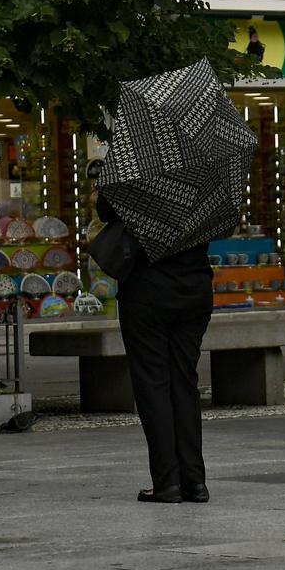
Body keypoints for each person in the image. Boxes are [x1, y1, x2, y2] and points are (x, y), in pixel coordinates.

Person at [96, 192, 213, 504]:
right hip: (194, 288)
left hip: (147, 290)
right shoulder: (205, 176)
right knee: (185, 382)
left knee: (154, 384)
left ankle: (167, 483)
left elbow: (105, 208)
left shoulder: (138, 165)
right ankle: (194, 481)